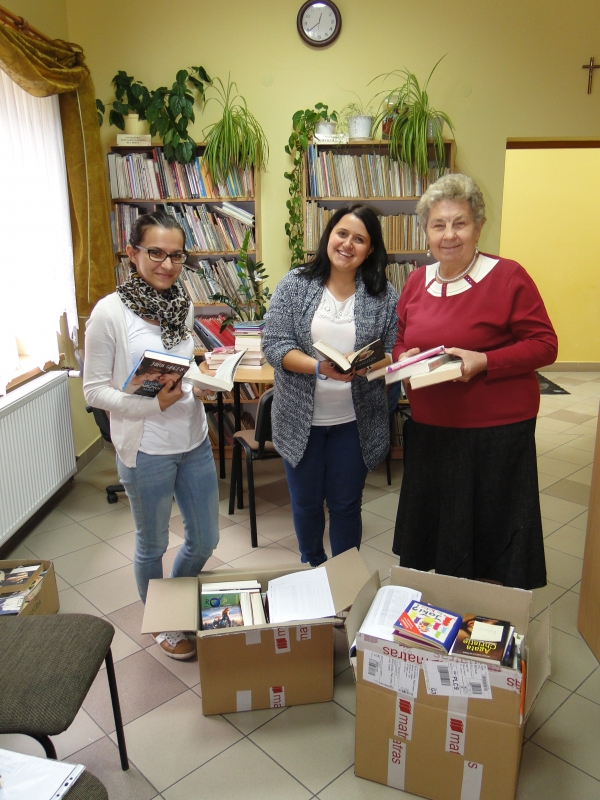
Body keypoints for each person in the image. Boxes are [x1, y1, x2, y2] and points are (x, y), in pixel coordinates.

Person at [392, 173, 558, 589]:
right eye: (438, 224)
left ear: (478, 226)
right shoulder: (415, 281)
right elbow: (398, 337)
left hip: (495, 436)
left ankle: (486, 625)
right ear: (426, 232)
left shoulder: (507, 277)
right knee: (443, 535)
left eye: (459, 223)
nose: (449, 234)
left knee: (490, 539)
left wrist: (485, 360)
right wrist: (401, 357)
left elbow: (544, 345)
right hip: (432, 434)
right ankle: (447, 613)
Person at [83, 211, 220, 659]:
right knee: (153, 543)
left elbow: (182, 366)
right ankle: (163, 620)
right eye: (155, 252)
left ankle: (176, 599)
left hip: (193, 438)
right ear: (132, 253)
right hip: (146, 448)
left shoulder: (183, 303)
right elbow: (94, 389)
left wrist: (202, 381)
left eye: (176, 255)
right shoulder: (110, 313)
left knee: (205, 539)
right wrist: (150, 404)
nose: (166, 264)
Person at [263, 204, 399, 567]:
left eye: (360, 239)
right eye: (342, 233)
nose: (347, 244)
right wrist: (320, 367)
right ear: (329, 236)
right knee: (306, 503)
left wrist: (367, 364)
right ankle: (313, 565)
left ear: (370, 249)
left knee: (345, 504)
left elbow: (393, 349)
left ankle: (344, 579)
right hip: (300, 420)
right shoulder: (295, 284)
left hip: (354, 423)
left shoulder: (383, 294)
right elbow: (274, 345)